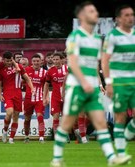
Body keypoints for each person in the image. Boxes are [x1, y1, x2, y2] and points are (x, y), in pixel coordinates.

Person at [51, 2, 131, 167]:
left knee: (100, 122)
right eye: (92, 11)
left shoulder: (96, 39)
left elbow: (96, 65)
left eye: (96, 11)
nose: (96, 14)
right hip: (77, 87)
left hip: (92, 88)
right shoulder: (75, 37)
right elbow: (72, 63)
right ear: (81, 16)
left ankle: (112, 158)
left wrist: (101, 83)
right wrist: (84, 82)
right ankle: (57, 158)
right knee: (66, 123)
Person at [102, 4, 135, 157]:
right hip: (119, 82)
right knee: (120, 116)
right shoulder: (112, 36)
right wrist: (108, 83)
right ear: (119, 19)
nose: (130, 18)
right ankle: (121, 154)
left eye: (132, 14)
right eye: (126, 15)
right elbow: (105, 60)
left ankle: (128, 133)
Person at [0, 51, 34, 144]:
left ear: (12, 60)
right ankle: (5, 131)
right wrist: (0, 94)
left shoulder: (19, 67)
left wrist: (32, 88)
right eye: (7, 61)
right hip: (7, 93)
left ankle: (11, 138)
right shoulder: (0, 69)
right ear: (3, 60)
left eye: (10, 61)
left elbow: (27, 78)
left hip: (18, 93)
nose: (8, 62)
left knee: (16, 116)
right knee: (9, 112)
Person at [24, 54, 47, 143]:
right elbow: (21, 81)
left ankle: (41, 138)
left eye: (38, 61)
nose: (36, 63)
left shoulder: (45, 72)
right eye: (34, 61)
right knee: (27, 118)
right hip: (28, 99)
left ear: (41, 62)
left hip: (39, 98)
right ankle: (26, 136)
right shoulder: (26, 70)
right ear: (31, 62)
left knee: (40, 116)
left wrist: (46, 97)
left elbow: (47, 85)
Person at [43, 52, 67, 134]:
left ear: (62, 60)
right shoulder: (50, 71)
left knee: (66, 117)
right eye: (54, 59)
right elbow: (46, 84)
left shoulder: (68, 69)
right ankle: (56, 136)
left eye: (57, 59)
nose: (55, 61)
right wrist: (44, 97)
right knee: (55, 117)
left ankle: (66, 134)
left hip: (67, 96)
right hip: (55, 97)